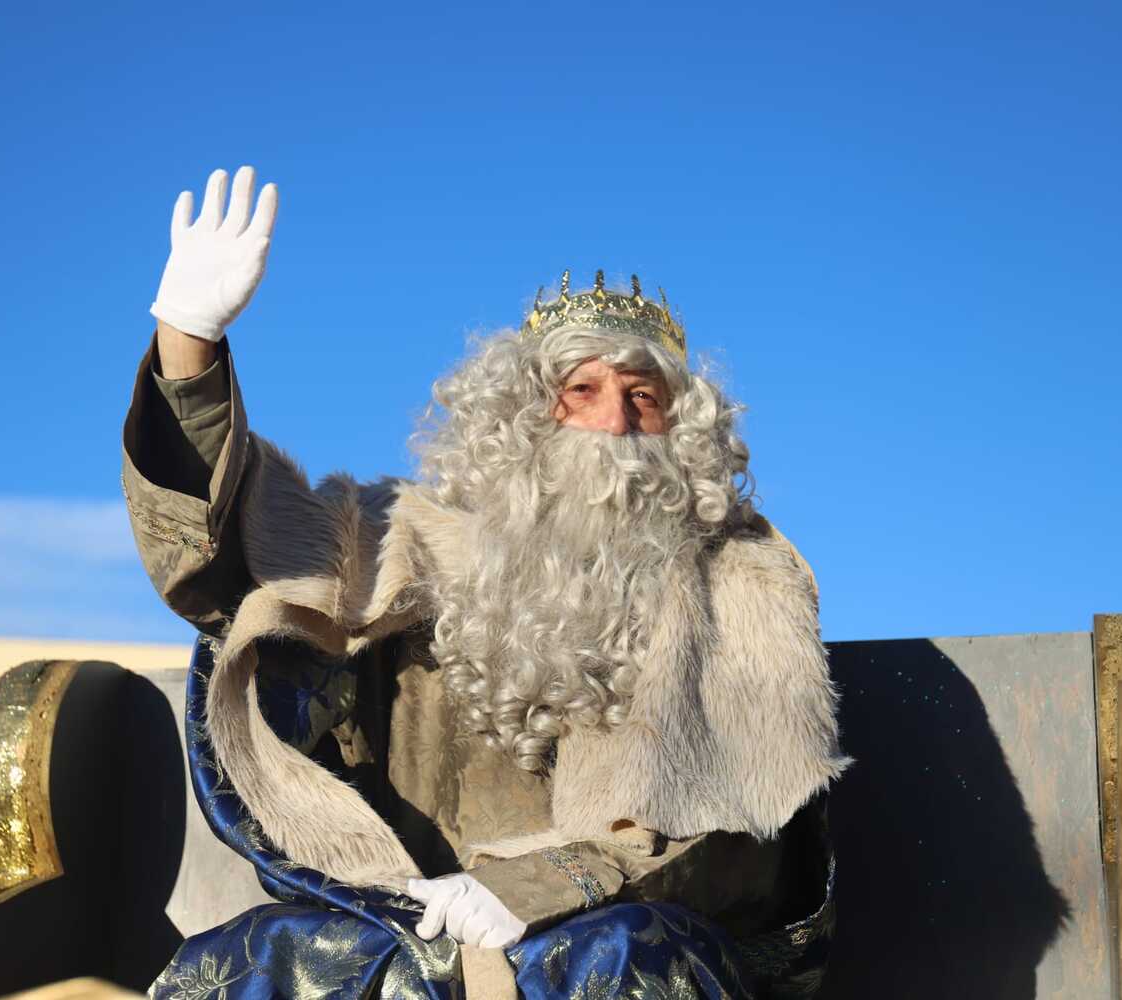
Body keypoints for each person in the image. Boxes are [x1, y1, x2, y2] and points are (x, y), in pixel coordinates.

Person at [123, 166, 849, 999]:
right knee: (265, 960)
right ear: (525, 414)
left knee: (627, 959)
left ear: (682, 429)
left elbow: (738, 839)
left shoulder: (744, 587)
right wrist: (189, 347)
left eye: (643, 397)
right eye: (582, 391)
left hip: (616, 930)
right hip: (406, 925)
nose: (615, 422)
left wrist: (535, 891)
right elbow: (226, 574)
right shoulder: (397, 537)